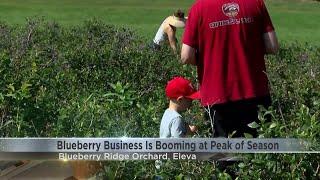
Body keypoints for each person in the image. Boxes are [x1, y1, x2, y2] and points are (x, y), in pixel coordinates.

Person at [181, 0, 279, 137]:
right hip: (254, 91)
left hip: (216, 95)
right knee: (258, 152)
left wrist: (209, 60)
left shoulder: (199, 8)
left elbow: (186, 56)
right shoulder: (255, 3)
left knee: (224, 153)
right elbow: (272, 46)